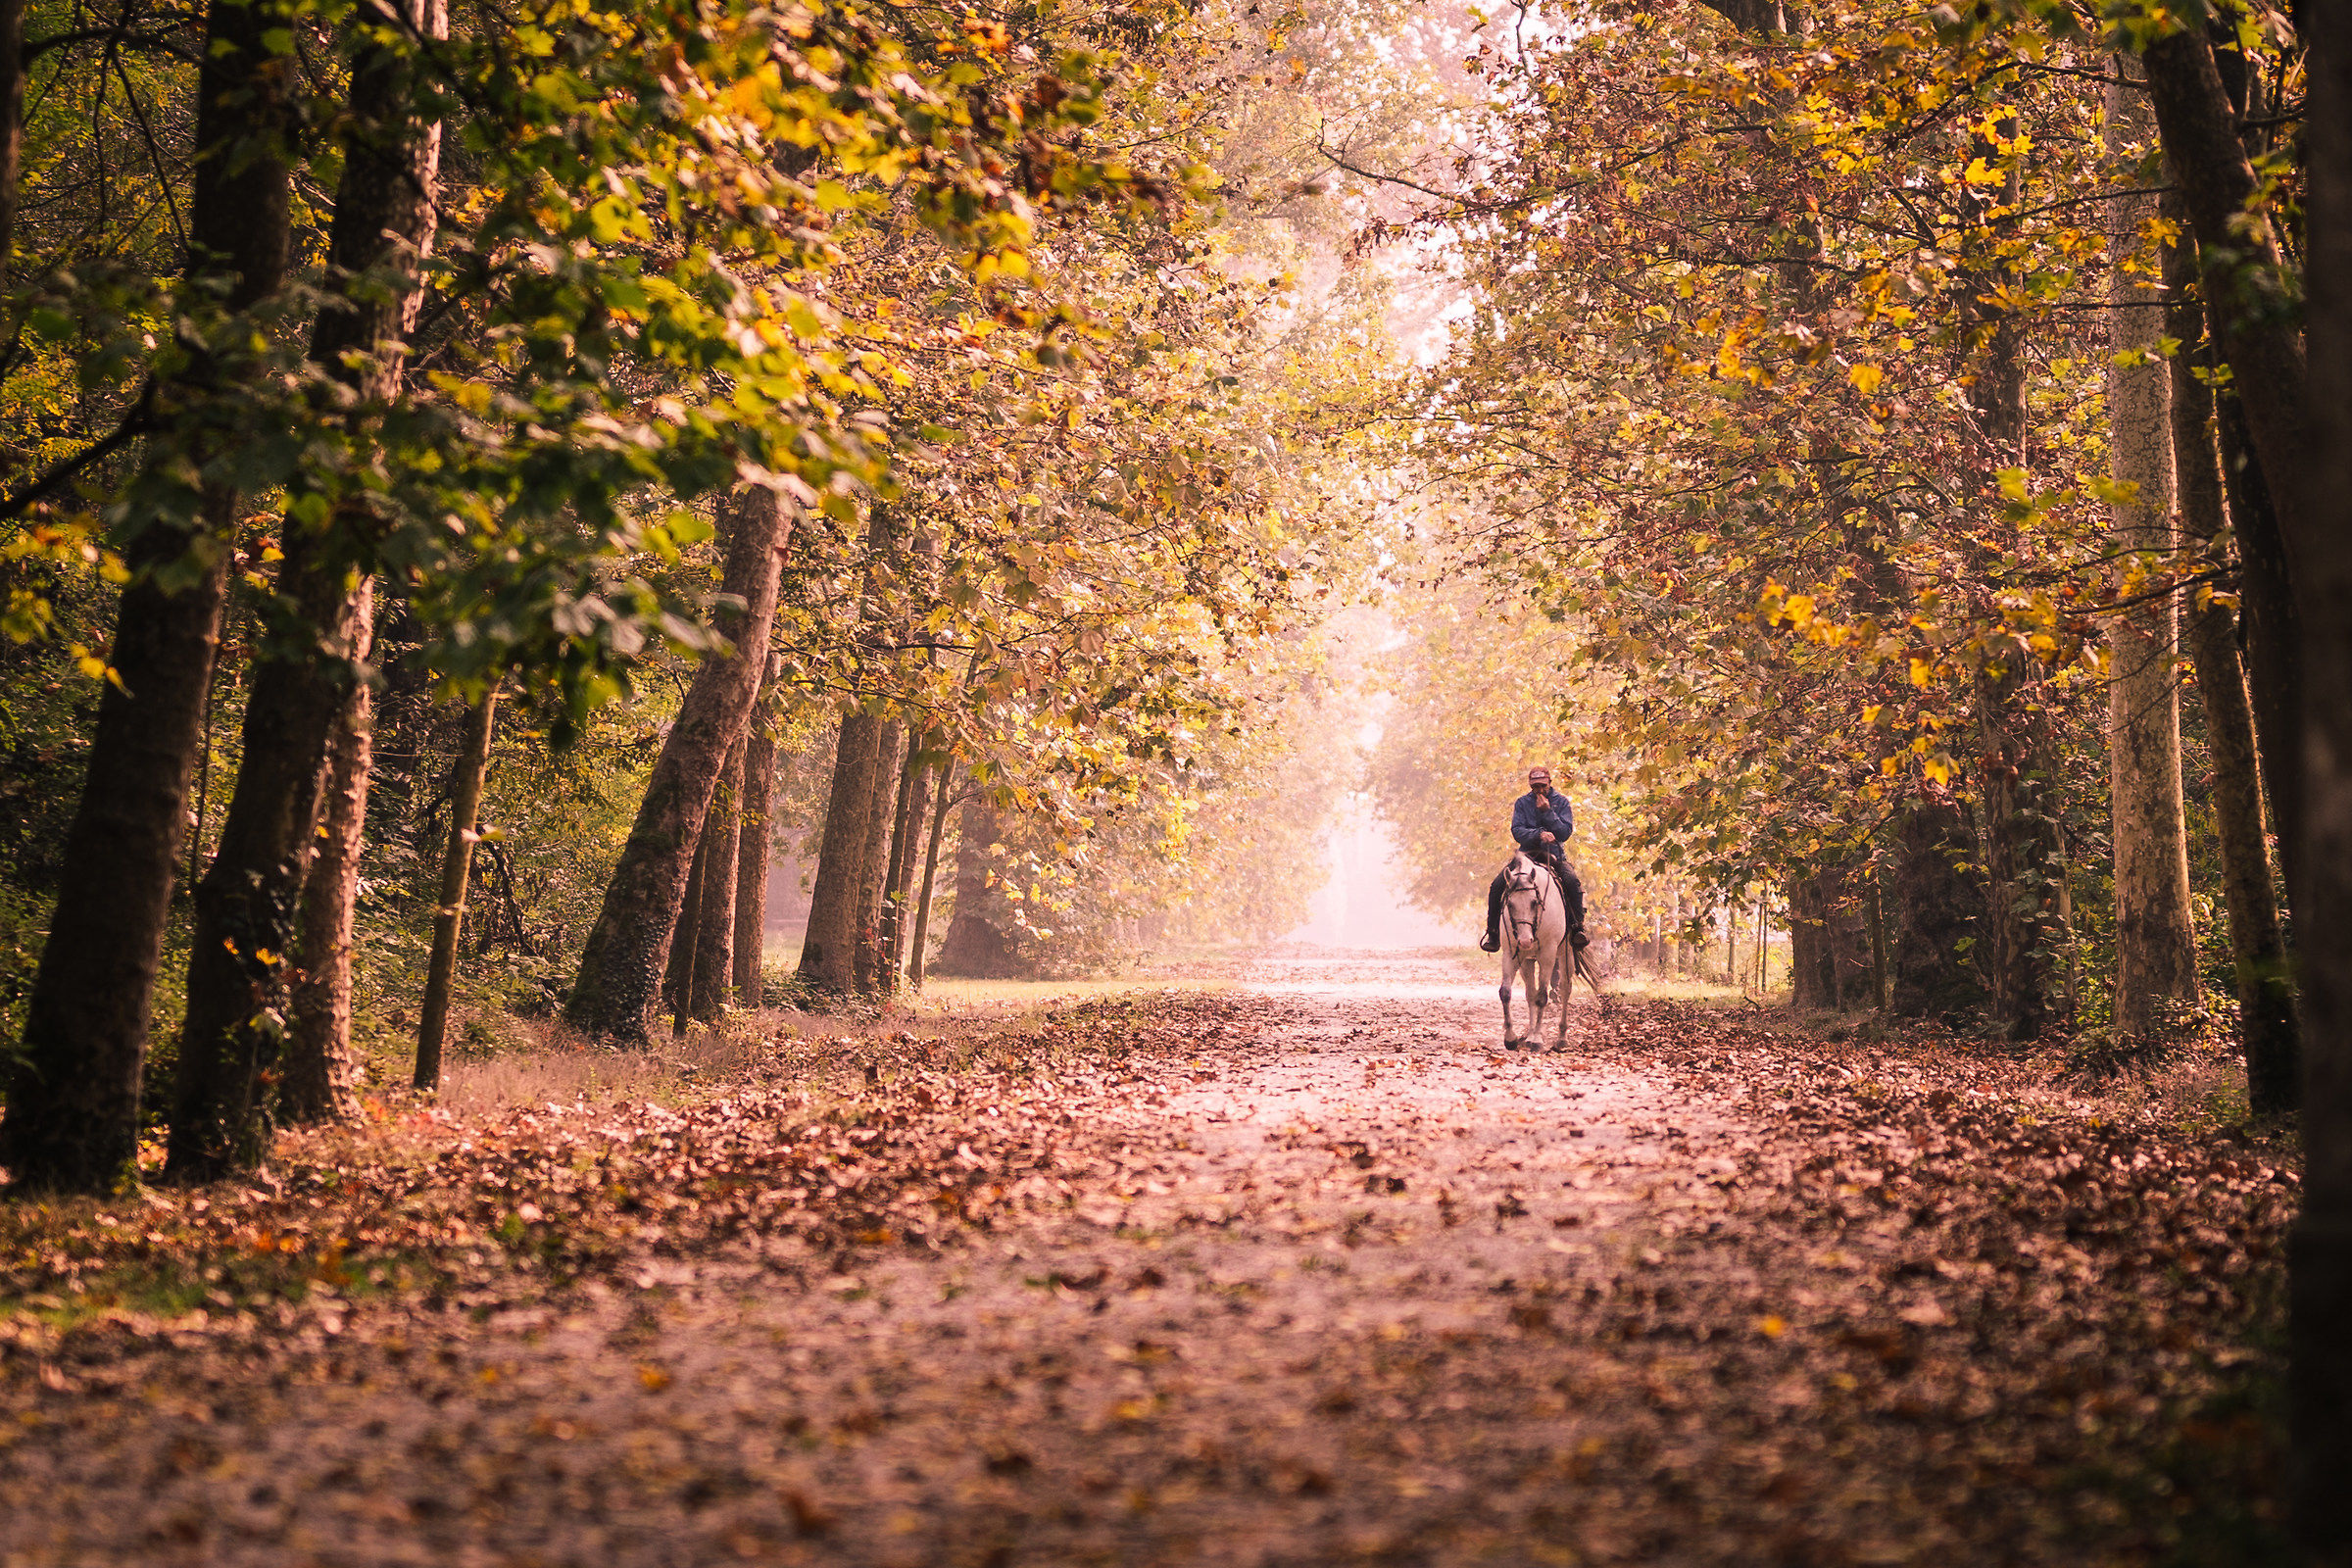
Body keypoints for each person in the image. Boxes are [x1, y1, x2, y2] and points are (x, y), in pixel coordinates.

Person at [1481, 765, 1589, 953]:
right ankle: (1493, 933)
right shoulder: (1522, 803)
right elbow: (1517, 831)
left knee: (1572, 882)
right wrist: (1539, 834)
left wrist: (1548, 812)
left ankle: (1577, 928)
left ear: (1549, 783)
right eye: (1535, 787)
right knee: (1497, 885)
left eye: (1542, 786)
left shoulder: (1561, 802)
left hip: (1554, 855)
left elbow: (1565, 832)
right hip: (1527, 855)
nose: (1539, 790)